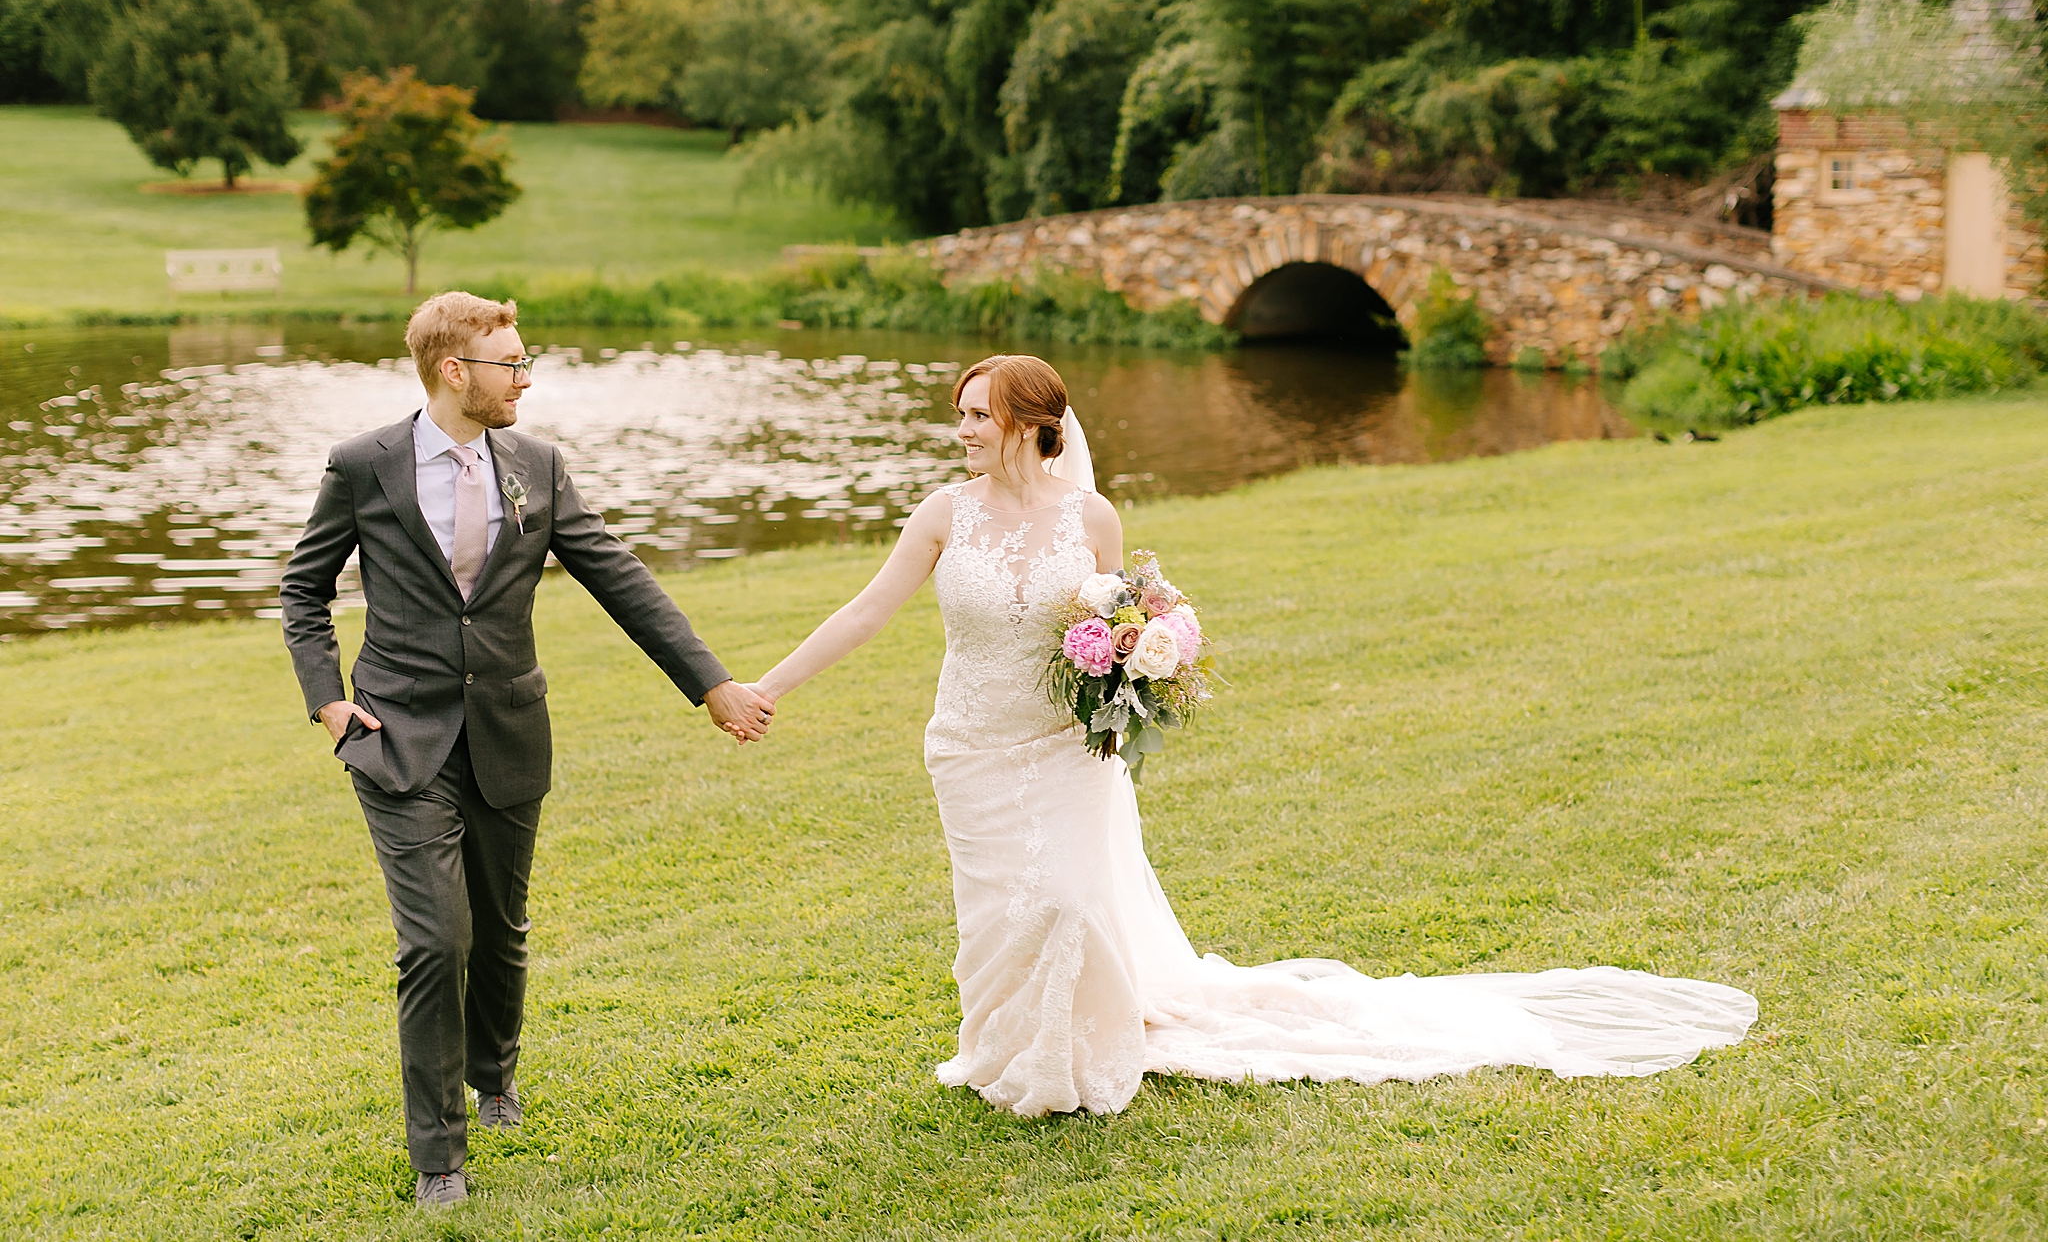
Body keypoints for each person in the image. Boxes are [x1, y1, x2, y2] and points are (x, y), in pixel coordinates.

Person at [746, 353, 1756, 1118]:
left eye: (974, 415)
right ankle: (1001, 1049)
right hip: (968, 743)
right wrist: (770, 685)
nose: (958, 429)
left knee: (1063, 897)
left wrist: (1151, 646)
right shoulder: (941, 515)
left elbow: (1136, 601)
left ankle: (1071, 1058)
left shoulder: (1087, 516)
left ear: (1027, 426)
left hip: (1062, 745)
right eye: (958, 414)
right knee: (1000, 907)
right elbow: (864, 614)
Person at [279, 291, 775, 1207]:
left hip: (509, 727)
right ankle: (440, 1157)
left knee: (499, 932)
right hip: (396, 735)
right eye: (511, 362)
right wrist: (330, 705)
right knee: (436, 940)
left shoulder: (538, 465)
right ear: (453, 370)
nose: (528, 377)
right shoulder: (362, 466)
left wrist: (711, 683)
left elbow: (616, 572)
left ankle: (493, 1072)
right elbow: (303, 589)